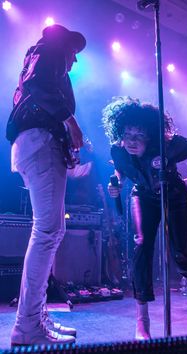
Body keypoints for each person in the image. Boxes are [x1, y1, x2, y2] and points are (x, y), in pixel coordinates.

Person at [102, 96, 187, 340]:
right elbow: (121, 170)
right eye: (127, 134)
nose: (131, 140)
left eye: (138, 135)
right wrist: (117, 183)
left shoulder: (167, 145)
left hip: (173, 194)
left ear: (150, 135)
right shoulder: (118, 150)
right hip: (142, 194)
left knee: (182, 258)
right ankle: (142, 321)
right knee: (142, 246)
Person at [6, 24, 86, 345]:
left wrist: (65, 144)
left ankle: (34, 317)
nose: (75, 61)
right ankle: (27, 325)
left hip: (35, 143)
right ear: (62, 44)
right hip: (39, 141)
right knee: (48, 231)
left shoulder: (41, 56)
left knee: (53, 230)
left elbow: (36, 91)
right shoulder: (48, 50)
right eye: (74, 52)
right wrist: (70, 120)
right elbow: (39, 86)